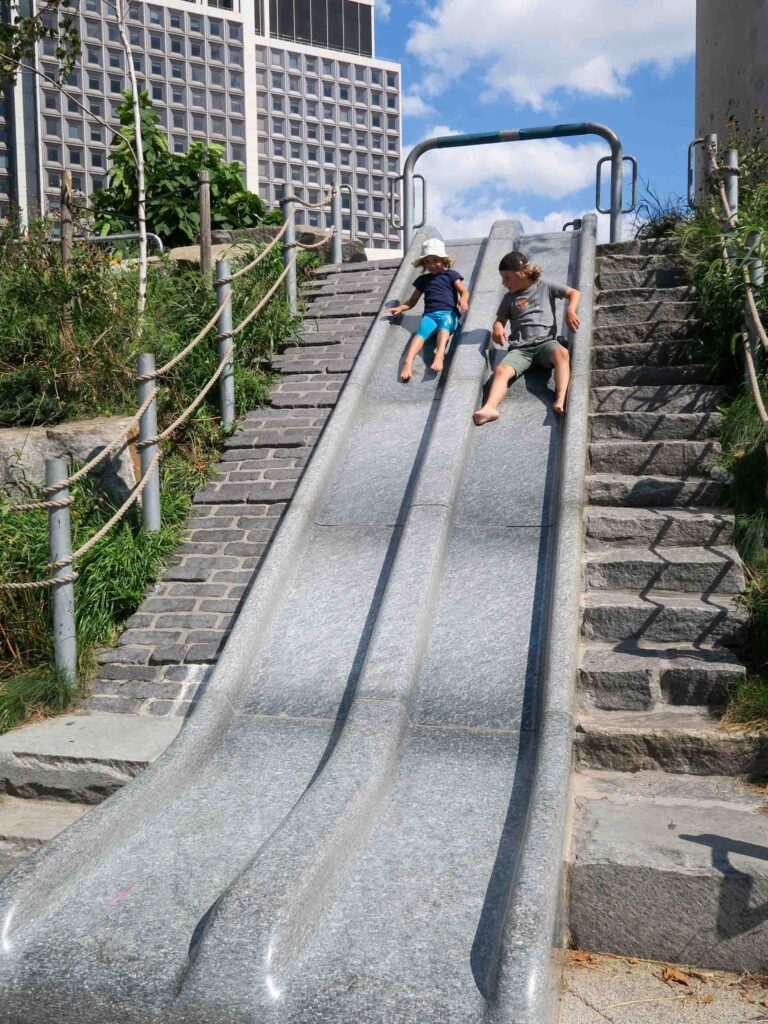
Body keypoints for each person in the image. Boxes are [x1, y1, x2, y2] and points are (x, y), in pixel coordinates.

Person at [473, 250, 580, 424]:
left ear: (521, 273)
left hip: (546, 343)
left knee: (562, 354)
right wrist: (497, 327)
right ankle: (490, 407)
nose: (503, 282)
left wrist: (570, 310)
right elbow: (500, 320)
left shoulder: (545, 286)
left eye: (507, 277)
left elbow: (574, 293)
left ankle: (561, 398)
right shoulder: (509, 299)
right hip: (521, 349)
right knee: (501, 370)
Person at [389, 238, 470, 382]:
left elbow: (464, 291)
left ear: (444, 261)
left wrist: (463, 300)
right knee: (421, 333)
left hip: (448, 313)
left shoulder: (451, 275)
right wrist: (401, 308)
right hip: (430, 315)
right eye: (427, 262)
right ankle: (408, 361)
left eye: (435, 260)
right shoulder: (423, 280)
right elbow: (412, 301)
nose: (431, 265)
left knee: (444, 327)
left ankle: (439, 353)